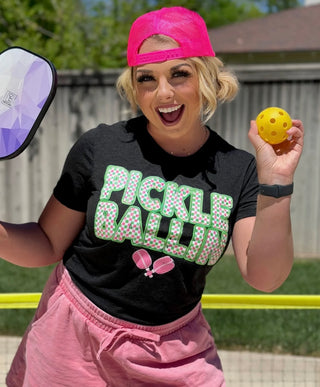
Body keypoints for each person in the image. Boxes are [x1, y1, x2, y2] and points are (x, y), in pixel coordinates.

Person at [3, 6, 303, 387]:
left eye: (180, 74)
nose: (163, 93)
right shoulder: (101, 146)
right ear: (134, 86)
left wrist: (275, 182)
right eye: (147, 79)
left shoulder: (239, 169)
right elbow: (47, 243)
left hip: (173, 352)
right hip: (70, 341)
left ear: (207, 77)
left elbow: (264, 277)